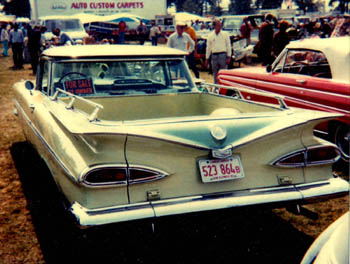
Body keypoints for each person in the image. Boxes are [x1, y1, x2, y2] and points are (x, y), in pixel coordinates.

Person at [205, 19, 231, 83]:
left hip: (223, 55)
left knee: (223, 73)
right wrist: (207, 59)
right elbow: (208, 48)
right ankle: (216, 87)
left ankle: (224, 87)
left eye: (220, 25)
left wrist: (229, 56)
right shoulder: (210, 36)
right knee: (215, 73)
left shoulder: (225, 34)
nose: (220, 27)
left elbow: (228, 45)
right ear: (214, 26)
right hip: (214, 56)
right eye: (218, 25)